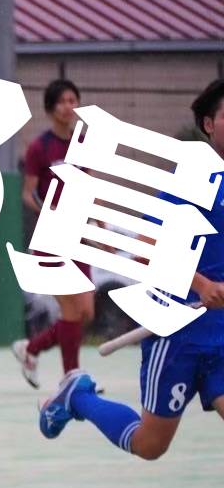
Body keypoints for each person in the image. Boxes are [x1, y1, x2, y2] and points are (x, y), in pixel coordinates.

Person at [39, 78, 224, 458]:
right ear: (209, 124)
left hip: (221, 335)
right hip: (177, 333)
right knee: (149, 445)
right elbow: (147, 248)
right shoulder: (194, 180)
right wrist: (201, 284)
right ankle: (78, 397)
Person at [12, 79, 88, 389]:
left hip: (77, 236)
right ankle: (73, 378)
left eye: (73, 100)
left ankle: (31, 348)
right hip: (51, 238)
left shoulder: (82, 144)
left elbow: (89, 186)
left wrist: (98, 225)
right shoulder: (39, 147)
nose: (69, 106)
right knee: (70, 308)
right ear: (50, 108)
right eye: (62, 101)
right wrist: (48, 210)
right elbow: (27, 194)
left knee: (84, 312)